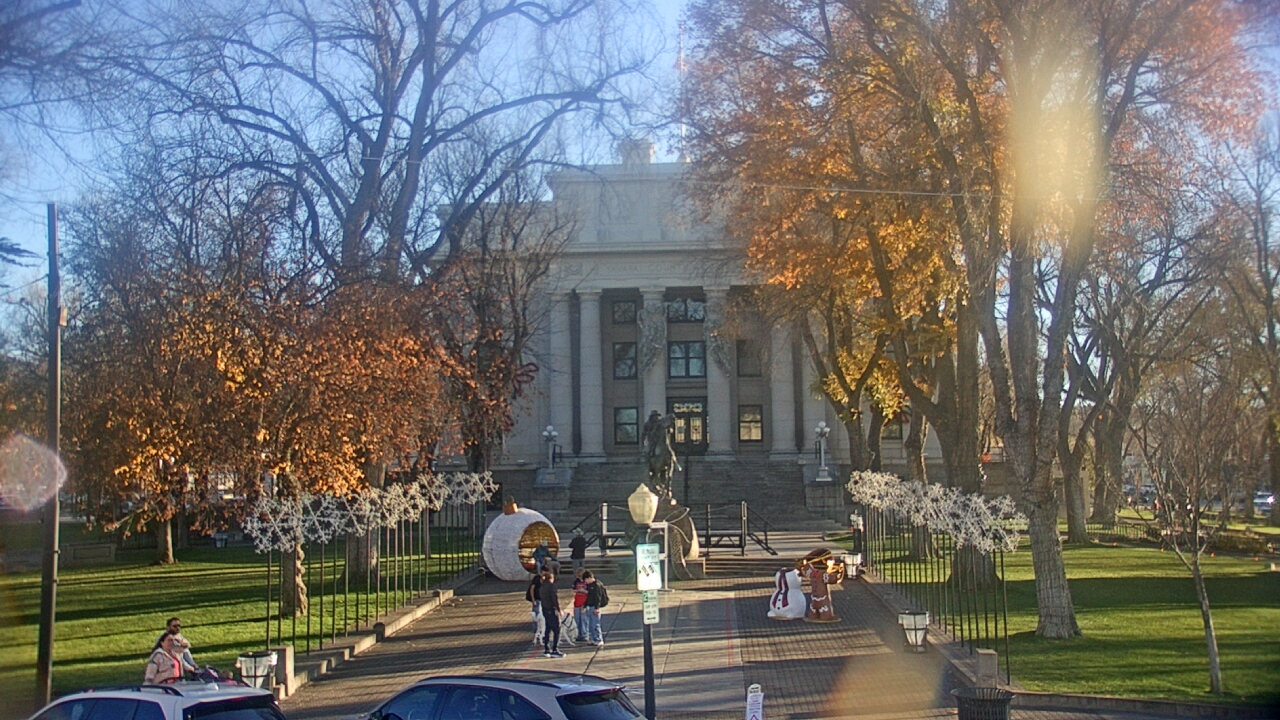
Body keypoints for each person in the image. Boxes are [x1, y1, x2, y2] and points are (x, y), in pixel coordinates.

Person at [538, 567, 564, 658]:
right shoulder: (551, 586)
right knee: (557, 629)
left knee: (547, 629)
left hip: (545, 609)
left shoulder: (542, 587)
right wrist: (559, 609)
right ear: (551, 578)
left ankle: (547, 649)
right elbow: (554, 599)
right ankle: (555, 649)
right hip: (552, 610)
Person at [583, 570, 605, 646]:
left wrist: (597, 608)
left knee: (595, 624)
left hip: (594, 607)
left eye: (585, 580)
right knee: (591, 624)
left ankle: (599, 639)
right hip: (590, 606)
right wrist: (585, 606)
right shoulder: (590, 586)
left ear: (589, 578)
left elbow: (598, 597)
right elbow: (589, 597)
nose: (585, 582)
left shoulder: (596, 585)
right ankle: (594, 638)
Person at [526, 572, 543, 645]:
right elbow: (532, 589)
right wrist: (533, 600)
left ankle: (541, 632)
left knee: (541, 618)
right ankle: (536, 632)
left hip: (543, 600)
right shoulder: (537, 579)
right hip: (537, 600)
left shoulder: (546, 579)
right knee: (536, 616)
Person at [572, 569, 589, 642]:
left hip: (584, 601)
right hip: (577, 601)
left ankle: (585, 634)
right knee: (577, 619)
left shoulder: (586, 581)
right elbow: (574, 589)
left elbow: (589, 591)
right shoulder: (576, 581)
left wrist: (584, 591)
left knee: (584, 619)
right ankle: (578, 634)